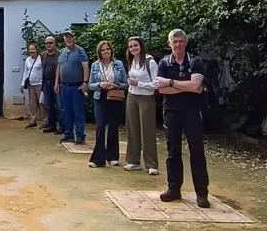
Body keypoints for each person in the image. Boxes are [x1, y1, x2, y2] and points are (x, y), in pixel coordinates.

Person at [155, 29, 210, 208]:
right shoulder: (164, 63)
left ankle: (201, 193)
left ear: (186, 42)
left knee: (197, 151)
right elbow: (161, 90)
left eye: (180, 41)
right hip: (171, 111)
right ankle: (174, 189)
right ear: (169, 43)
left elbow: (196, 85)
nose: (178, 45)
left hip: (193, 111)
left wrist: (172, 83)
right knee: (173, 152)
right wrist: (186, 86)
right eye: (174, 42)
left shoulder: (195, 61)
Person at [87, 41, 128, 168]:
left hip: (114, 96)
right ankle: (98, 159)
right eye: (103, 50)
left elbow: (125, 83)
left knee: (113, 126)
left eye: (107, 49)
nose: (106, 52)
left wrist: (116, 85)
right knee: (100, 127)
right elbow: (90, 85)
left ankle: (113, 156)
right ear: (99, 52)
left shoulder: (119, 64)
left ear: (111, 50)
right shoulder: (95, 65)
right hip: (100, 97)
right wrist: (100, 84)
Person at [124, 36, 159, 175]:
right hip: (132, 96)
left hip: (146, 98)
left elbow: (156, 84)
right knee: (132, 129)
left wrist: (139, 84)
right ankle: (133, 161)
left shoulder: (150, 62)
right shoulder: (132, 60)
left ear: (141, 46)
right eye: (131, 46)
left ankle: (151, 164)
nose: (133, 48)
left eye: (135, 45)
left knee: (147, 130)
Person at [55, 29, 89, 145]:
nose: (69, 39)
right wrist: (56, 82)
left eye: (71, 37)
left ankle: (80, 136)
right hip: (65, 87)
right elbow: (59, 68)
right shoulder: (62, 52)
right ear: (64, 39)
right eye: (66, 37)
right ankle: (68, 134)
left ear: (75, 38)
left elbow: (85, 67)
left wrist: (85, 82)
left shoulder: (80, 51)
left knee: (78, 111)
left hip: (77, 86)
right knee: (66, 112)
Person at [39, 36, 61, 133]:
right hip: (46, 82)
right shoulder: (43, 55)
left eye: (50, 43)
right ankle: (52, 125)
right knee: (48, 105)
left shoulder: (60, 54)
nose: (48, 45)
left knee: (60, 105)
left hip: (57, 83)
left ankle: (62, 126)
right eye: (46, 43)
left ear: (55, 43)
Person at [21, 43, 44, 129]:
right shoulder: (27, 60)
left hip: (40, 84)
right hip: (30, 85)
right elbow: (25, 72)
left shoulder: (40, 59)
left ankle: (45, 121)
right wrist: (23, 84)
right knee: (32, 104)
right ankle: (33, 121)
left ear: (37, 50)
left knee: (42, 103)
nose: (31, 51)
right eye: (30, 49)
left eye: (33, 49)